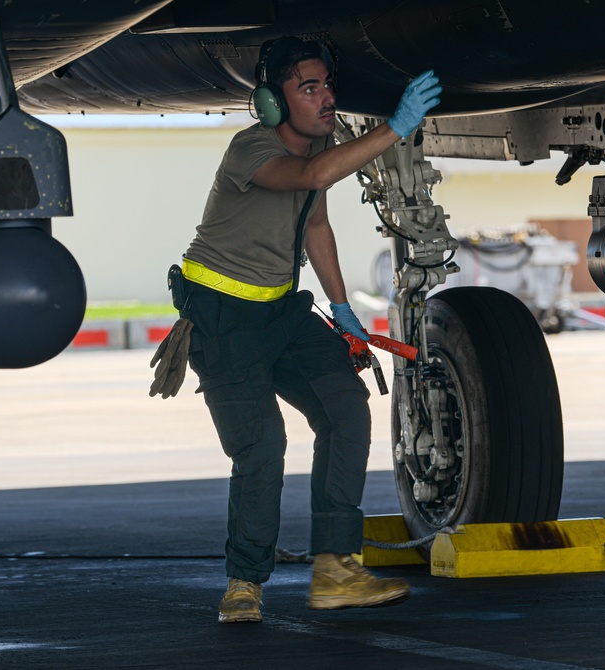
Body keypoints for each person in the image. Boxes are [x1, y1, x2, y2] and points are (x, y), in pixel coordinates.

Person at [152, 36, 441, 623]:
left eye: (327, 86)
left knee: (346, 409)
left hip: (284, 311)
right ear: (272, 103)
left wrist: (342, 310)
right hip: (222, 318)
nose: (326, 97)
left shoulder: (324, 145)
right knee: (262, 448)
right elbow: (309, 176)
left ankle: (336, 568)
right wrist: (394, 128)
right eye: (309, 88)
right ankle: (244, 582)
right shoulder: (250, 150)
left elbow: (317, 227)